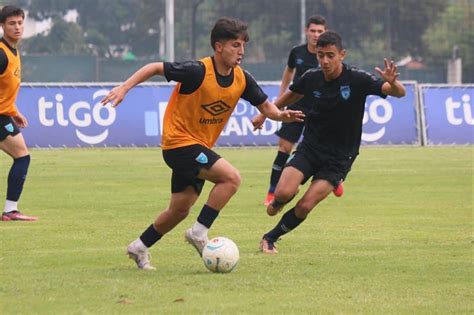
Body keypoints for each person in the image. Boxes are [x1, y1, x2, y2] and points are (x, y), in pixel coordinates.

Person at [101, 17, 304, 270]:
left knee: (178, 210)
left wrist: (280, 115)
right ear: (218, 47)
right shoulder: (197, 71)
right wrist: (124, 88)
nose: (241, 52)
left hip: (197, 147)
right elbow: (154, 67)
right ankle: (199, 232)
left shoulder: (242, 78)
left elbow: (266, 107)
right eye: (235, 45)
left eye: (243, 46)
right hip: (179, 144)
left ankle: (139, 247)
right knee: (231, 178)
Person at [253, 31, 406, 254]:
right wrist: (266, 113)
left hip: (340, 157)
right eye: (321, 55)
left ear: (342, 55)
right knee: (283, 193)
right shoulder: (311, 77)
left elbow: (398, 93)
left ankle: (270, 238)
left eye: (330, 56)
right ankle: (280, 200)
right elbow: (292, 95)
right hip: (311, 148)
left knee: (306, 205)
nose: (325, 61)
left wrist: (394, 83)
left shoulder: (357, 79)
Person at [263, 15, 343, 206]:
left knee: (322, 147)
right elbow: (289, 71)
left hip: (320, 107)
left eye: (320, 31)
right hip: (297, 105)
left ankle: (333, 177)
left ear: (325, 32)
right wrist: (281, 97)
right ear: (306, 31)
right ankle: (272, 191)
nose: (316, 35)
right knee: (284, 147)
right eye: (313, 31)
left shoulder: (329, 54)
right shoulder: (297, 52)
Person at [0, 5, 37, 222]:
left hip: (4, 115)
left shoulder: (12, 51)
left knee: (22, 156)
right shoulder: (2, 54)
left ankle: (10, 210)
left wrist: (15, 112)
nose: (17, 27)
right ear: (2, 26)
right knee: (22, 157)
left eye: (20, 23)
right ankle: (10, 210)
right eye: (12, 23)